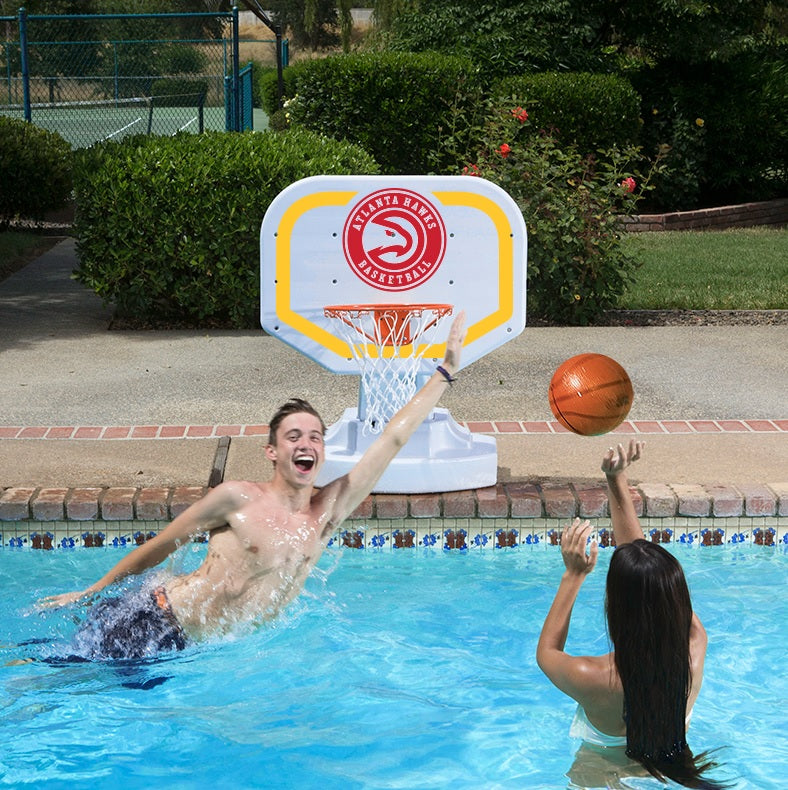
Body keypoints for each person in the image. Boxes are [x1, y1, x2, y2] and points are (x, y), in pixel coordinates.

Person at [38, 312, 466, 660]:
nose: (306, 444)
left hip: (188, 649)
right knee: (49, 676)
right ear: (272, 453)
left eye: (315, 436)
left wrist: (444, 371)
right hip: (154, 619)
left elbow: (392, 438)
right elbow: (164, 544)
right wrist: (91, 590)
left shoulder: (326, 514)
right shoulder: (237, 498)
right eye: (293, 437)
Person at [536, 440, 729, 789]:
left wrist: (573, 575)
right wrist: (617, 480)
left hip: (597, 773)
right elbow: (646, 575)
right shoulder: (694, 649)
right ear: (678, 603)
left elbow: (547, 654)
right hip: (671, 768)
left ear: (616, 609)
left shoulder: (593, 678)